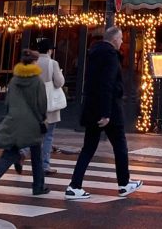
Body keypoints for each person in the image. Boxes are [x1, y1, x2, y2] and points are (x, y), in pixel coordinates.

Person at [66, 27, 143, 200]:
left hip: (93, 108)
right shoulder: (110, 56)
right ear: (114, 39)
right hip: (109, 110)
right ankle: (124, 183)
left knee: (88, 148)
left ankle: (74, 185)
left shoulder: (94, 54)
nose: (122, 41)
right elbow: (107, 84)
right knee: (120, 146)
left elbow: (96, 83)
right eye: (121, 38)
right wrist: (106, 113)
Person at [0, 49, 49, 199]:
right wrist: (42, 119)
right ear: (34, 62)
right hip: (32, 123)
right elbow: (41, 104)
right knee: (36, 153)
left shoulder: (14, 80)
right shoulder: (37, 81)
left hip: (14, 120)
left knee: (10, 153)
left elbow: (8, 101)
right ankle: (38, 186)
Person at [35, 38, 64, 175]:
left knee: (34, 134)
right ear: (49, 50)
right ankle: (45, 164)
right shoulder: (53, 63)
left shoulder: (33, 63)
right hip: (49, 105)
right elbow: (58, 83)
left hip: (34, 104)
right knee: (48, 135)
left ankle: (21, 153)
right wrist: (61, 75)